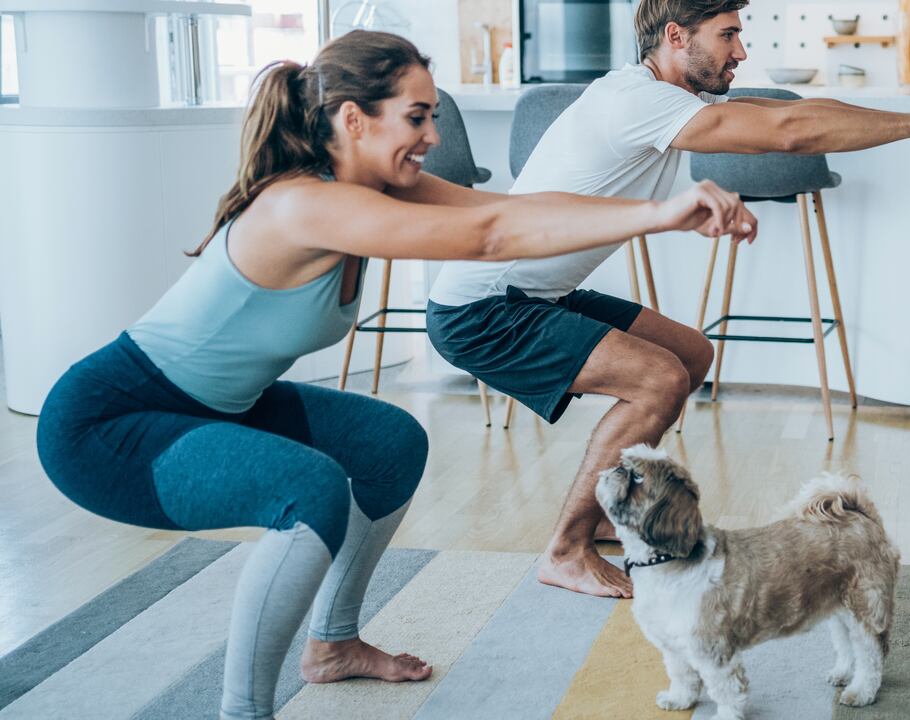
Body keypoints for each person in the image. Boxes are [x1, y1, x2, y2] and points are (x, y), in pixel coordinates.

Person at [35, 30, 752, 720]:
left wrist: (663, 211)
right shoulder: (304, 203)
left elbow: (513, 209)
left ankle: (333, 643)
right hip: (110, 425)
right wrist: (662, 213)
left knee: (389, 443)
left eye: (433, 117)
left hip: (217, 406)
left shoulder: (373, 189)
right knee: (308, 490)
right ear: (354, 119)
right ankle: (243, 710)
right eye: (416, 117)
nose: (433, 137)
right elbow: (490, 238)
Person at [426, 0, 910, 599]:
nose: (741, 52)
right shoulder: (637, 101)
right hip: (484, 309)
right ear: (675, 37)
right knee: (658, 380)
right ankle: (565, 549)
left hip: (535, 295)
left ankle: (604, 511)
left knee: (688, 355)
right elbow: (791, 132)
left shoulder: (662, 93)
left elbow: (789, 111)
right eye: (729, 35)